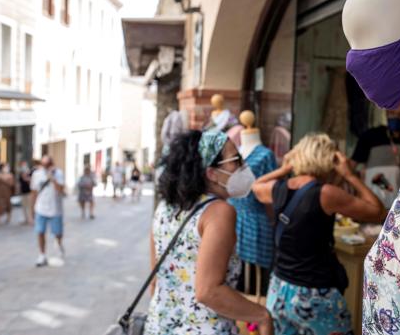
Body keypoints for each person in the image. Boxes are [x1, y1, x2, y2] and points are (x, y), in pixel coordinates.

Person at [252, 133, 386, 335]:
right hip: (314, 293)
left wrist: (284, 169)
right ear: (328, 159)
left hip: (279, 288)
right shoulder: (326, 193)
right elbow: (378, 212)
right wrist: (349, 175)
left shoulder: (279, 187)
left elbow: (255, 187)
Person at [145, 130, 272, 335]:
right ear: (211, 173)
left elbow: (155, 280)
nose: (243, 166)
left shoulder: (165, 207)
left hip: (159, 326)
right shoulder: (219, 212)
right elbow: (208, 291)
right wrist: (261, 315)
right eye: (236, 160)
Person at [31, 155, 65, 267]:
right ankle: (42, 255)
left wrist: (53, 178)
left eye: (48, 164)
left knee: (57, 232)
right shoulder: (36, 175)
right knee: (40, 232)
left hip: (55, 209)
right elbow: (34, 192)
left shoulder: (58, 173)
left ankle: (58, 244)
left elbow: (60, 190)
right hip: (41, 208)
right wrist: (32, 208)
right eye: (44, 164)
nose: (46, 167)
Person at [18, 160, 33, 225]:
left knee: (29, 206)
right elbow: (20, 183)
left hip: (29, 192)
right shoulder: (20, 174)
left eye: (24, 165)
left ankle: (30, 219)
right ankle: (26, 219)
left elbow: (31, 182)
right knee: (24, 206)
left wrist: (26, 177)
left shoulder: (30, 173)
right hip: (23, 192)